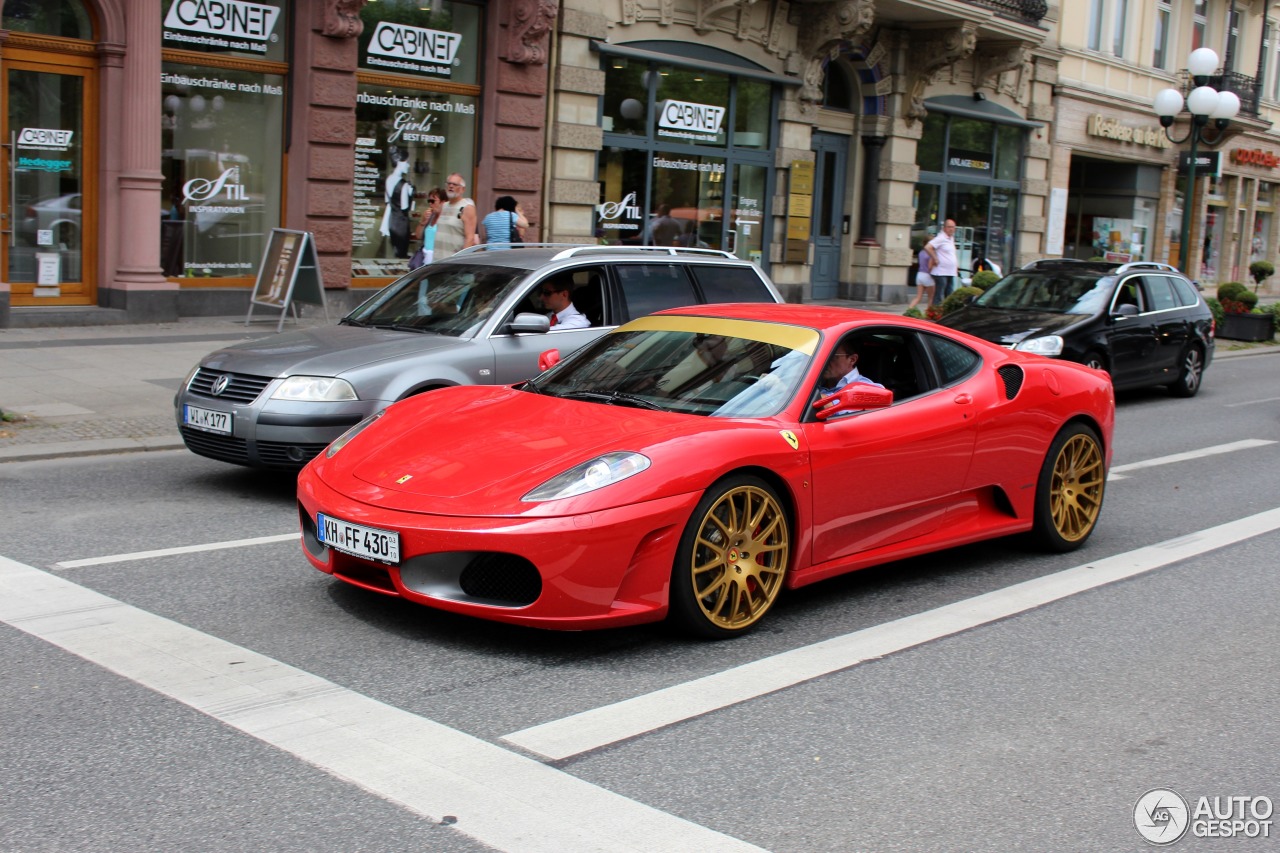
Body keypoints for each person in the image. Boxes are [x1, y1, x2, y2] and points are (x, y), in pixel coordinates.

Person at [433, 172, 478, 259]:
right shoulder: (443, 206)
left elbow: (470, 239)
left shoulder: (467, 207)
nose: (451, 186)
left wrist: (459, 261)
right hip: (437, 261)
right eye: (449, 183)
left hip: (452, 263)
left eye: (455, 184)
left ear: (462, 189)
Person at [816, 345, 883, 398]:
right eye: (821, 356)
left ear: (852, 360)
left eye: (832, 356)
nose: (824, 361)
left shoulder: (867, 388)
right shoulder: (814, 380)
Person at [381, 153, 414, 259]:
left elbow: (388, 201)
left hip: (391, 220)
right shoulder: (404, 185)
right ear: (400, 162)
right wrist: (411, 194)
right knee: (402, 253)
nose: (408, 166)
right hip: (401, 223)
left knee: (395, 251)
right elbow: (405, 207)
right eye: (407, 162)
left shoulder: (388, 179)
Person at [410, 187, 446, 267]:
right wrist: (422, 222)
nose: (430, 204)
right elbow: (418, 235)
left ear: (443, 202)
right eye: (429, 201)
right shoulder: (430, 216)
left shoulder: (446, 219)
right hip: (425, 259)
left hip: (439, 259)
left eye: (433, 201)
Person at [925, 219, 958, 304]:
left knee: (949, 294)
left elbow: (951, 254)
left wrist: (956, 265)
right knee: (939, 295)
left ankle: (946, 313)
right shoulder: (941, 238)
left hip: (950, 271)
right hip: (941, 271)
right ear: (944, 228)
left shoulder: (951, 238)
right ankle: (934, 313)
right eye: (949, 227)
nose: (951, 229)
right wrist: (935, 258)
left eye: (953, 227)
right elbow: (928, 247)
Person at [908, 242, 935, 313]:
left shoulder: (921, 252)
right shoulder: (931, 253)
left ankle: (909, 310)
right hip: (927, 275)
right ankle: (928, 314)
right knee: (930, 298)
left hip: (919, 274)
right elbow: (930, 267)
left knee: (918, 297)